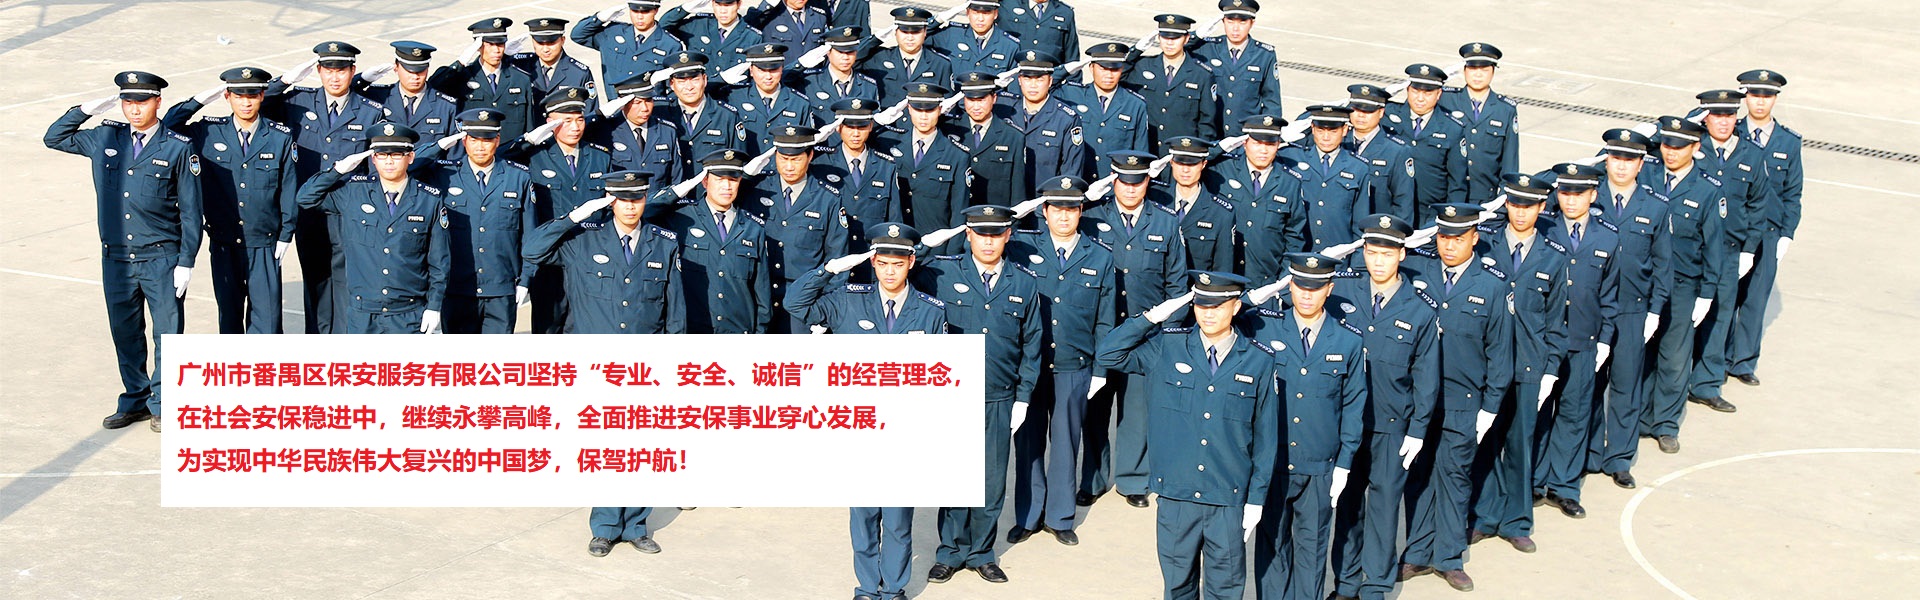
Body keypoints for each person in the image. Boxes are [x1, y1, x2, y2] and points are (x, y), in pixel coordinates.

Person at [1096, 271, 1278, 600]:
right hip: (1177, 495)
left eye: (1217, 306)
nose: (1208, 314)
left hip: (1227, 496)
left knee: (1226, 590)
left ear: (1236, 307)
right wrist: (1151, 317)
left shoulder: (1258, 360)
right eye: (1201, 305)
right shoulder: (1168, 346)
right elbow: (1108, 354)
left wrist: (1256, 498)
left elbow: (1266, 439)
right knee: (1178, 586)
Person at [790, 222, 945, 600]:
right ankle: (866, 587)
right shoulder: (848, 300)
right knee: (863, 517)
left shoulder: (930, 312)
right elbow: (796, 304)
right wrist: (828, 270)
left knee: (898, 520)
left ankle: (893, 589)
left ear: (911, 263)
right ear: (872, 262)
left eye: (898, 263)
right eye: (883, 263)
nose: (890, 271)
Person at [44, 70, 203, 433]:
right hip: (116, 257)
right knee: (125, 332)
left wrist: (186, 261)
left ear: (157, 102)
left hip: (161, 257)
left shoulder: (177, 146)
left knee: (167, 335)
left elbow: (192, 211)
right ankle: (135, 399)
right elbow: (54, 137)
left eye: (142, 102)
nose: (134, 109)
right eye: (127, 102)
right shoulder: (105, 138)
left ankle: (163, 403)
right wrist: (85, 109)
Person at [916, 204, 1044, 585]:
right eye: (980, 234)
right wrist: (929, 242)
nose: (988, 242)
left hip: (999, 396)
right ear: (968, 234)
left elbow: (1032, 344)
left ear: (1008, 236)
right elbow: (904, 264)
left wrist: (1023, 396)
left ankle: (982, 552)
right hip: (954, 393)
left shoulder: (1023, 283)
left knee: (991, 479)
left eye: (996, 234)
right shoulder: (942, 272)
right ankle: (950, 551)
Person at [1399, 203, 1513, 592]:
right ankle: (1417, 552)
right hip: (1419, 399)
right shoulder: (1418, 272)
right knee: (1418, 476)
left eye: (1458, 238)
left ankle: (1448, 557)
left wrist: (1490, 407)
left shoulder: (1492, 286)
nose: (1449, 245)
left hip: (1463, 401)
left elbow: (1500, 354)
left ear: (1474, 239)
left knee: (1455, 476)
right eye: (1444, 237)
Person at [1327, 214, 1439, 600]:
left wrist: (1418, 430)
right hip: (1347, 423)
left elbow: (1426, 376)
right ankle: (1346, 583)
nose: (1378, 261)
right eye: (1372, 253)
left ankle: (1375, 585)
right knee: (1348, 504)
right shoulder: (1342, 294)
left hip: (1392, 425)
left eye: (1387, 254)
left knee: (1385, 506)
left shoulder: (1420, 309)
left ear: (1402, 255)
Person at [1246, 253, 1365, 600]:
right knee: (1271, 545)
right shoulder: (1264, 326)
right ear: (1289, 286)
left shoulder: (1348, 341)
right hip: (1274, 460)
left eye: (1315, 288)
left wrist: (1345, 462)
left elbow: (1353, 405)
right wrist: (1266, 292)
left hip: (1319, 464)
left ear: (1329, 289)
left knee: (1312, 550)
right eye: (1299, 286)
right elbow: (1224, 309)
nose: (1306, 295)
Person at [1008, 176, 1117, 547]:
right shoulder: (1022, 248)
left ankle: (1060, 516)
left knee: (1067, 443)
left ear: (1081, 211)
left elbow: (1105, 319)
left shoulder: (1100, 256)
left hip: (1075, 363)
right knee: (1028, 443)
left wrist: (1100, 369)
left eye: (1071, 209)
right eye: (1057, 209)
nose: (1064, 216)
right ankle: (1028, 516)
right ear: (1045, 211)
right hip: (1031, 365)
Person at [1080, 151, 1190, 509]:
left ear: (1147, 182)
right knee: (1096, 409)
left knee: (1137, 411)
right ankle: (1093, 478)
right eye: (1124, 182)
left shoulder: (1166, 223)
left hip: (1146, 337)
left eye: (1137, 182)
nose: (1130, 189)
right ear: (1113, 182)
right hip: (1101, 332)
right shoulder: (1092, 219)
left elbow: (1177, 286)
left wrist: (1167, 336)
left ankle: (1133, 479)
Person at [1469, 172, 1568, 554]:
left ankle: (1516, 520)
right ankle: (1484, 515)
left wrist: (1550, 370)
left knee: (1520, 443)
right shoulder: (1486, 244)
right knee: (1485, 441)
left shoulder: (1553, 256)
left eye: (1529, 205)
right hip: (1487, 363)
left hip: (1528, 364)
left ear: (1542, 207)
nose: (1521, 212)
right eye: (1514, 203)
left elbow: (1556, 321)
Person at [261, 41, 388, 334]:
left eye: (341, 70)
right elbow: (260, 104)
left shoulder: (369, 112)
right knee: (315, 280)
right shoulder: (298, 102)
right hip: (309, 209)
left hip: (348, 212)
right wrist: (284, 81)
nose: (335, 77)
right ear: (318, 71)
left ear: (353, 71)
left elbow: (374, 170)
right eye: (328, 70)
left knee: (348, 283)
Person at [160, 66, 298, 335]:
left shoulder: (279, 136)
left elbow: (288, 187)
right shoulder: (208, 132)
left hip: (264, 242)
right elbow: (167, 127)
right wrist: (198, 101)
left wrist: (286, 232)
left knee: (268, 323)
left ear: (262, 96)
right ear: (227, 97)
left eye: (252, 96)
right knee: (229, 319)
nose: (245, 102)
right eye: (238, 96)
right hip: (224, 242)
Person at [293, 122, 450, 335]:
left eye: (396, 154)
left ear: (411, 157)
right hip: (362, 314)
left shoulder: (429, 200)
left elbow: (439, 261)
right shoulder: (354, 192)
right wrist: (338, 170)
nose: (389, 162)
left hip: (408, 314)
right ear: (373, 159)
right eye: (382, 155)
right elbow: (305, 198)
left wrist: (434, 306)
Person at [1642, 116, 1732, 455]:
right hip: (1646, 283)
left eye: (1679, 147)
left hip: (1682, 285)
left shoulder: (1707, 189)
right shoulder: (1647, 175)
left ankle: (1665, 424)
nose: (1671, 152)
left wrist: (1706, 294)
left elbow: (1714, 247)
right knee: (1642, 354)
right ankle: (1640, 419)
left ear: (1695, 148)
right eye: (1666, 145)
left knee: (1674, 357)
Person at [1588, 128, 1671, 489]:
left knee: (1625, 384)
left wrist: (1655, 310)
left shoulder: (1655, 205)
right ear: (1606, 160)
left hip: (1632, 309)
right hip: (1593, 309)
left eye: (1629, 159)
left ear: (1641, 164)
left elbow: (1663, 263)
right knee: (1590, 383)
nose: (1621, 166)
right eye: (1615, 158)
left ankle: (1619, 457)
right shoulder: (1589, 196)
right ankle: (1590, 453)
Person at [1534, 163, 1618, 519]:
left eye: (1578, 193)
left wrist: (1605, 340)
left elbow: (1610, 294)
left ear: (1593, 195)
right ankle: (1534, 480)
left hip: (1584, 339)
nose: (1570, 200)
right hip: (1545, 340)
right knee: (1539, 412)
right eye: (1565, 192)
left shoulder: (1608, 237)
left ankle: (1564, 486)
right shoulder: (1542, 228)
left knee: (1574, 412)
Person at [413, 109, 537, 334]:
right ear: (464, 141)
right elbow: (409, 167)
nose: (480, 147)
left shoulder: (518, 177)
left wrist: (526, 279)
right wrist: (440, 145)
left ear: (497, 140)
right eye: (473, 140)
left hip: (501, 287)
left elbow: (529, 235)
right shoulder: (444, 174)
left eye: (487, 140)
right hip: (456, 287)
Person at [505, 87, 619, 334]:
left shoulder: (599, 156)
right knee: (548, 328)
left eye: (579, 119)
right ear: (550, 123)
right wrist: (527, 141)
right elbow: (500, 159)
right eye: (566, 121)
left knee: (586, 329)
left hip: (589, 256)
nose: (575, 127)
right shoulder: (535, 156)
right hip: (550, 257)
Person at [1686, 89, 1766, 413]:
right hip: (1692, 251)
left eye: (1729, 115)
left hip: (1729, 252)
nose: (1723, 122)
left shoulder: (1751, 154)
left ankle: (1705, 385)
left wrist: (1749, 249)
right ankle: (1675, 383)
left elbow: (1758, 205)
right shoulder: (1691, 148)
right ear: (1705, 117)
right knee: (1682, 320)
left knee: (1719, 319)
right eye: (1716, 115)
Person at [1726, 69, 1800, 387]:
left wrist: (1787, 234)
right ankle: (1715, 359)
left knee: (1755, 300)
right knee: (1726, 298)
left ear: (1775, 99)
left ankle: (1742, 361)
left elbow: (1792, 193)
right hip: (1735, 230)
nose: (1760, 102)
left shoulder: (1788, 142)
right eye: (1755, 95)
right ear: (1745, 97)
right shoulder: (1731, 133)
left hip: (1769, 232)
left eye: (1767, 96)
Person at [655, 149, 774, 334]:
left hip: (738, 331)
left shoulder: (753, 229)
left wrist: (759, 333)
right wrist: (677, 191)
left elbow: (762, 292)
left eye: (733, 180)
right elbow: (643, 213)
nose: (727, 186)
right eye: (719, 179)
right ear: (705, 181)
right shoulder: (681, 219)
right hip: (694, 331)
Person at [749, 125, 851, 333]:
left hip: (803, 304)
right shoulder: (756, 189)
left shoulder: (828, 199)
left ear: (810, 156)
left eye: (795, 159)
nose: (789, 166)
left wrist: (826, 311)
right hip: (759, 298)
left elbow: (837, 259)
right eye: (783, 158)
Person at [1218, 115, 1306, 281]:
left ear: (1278, 145)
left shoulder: (1289, 182)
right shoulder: (1223, 170)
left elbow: (1294, 236)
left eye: (1270, 144)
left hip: (1266, 279)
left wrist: (1283, 280)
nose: (1263, 150)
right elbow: (1191, 162)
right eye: (1257, 143)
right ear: (1244, 143)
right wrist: (1219, 147)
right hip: (1225, 276)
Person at [876, 84, 968, 241]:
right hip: (896, 242)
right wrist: (877, 121)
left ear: (940, 109)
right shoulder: (889, 144)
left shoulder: (956, 155)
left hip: (936, 246)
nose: (923, 117)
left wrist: (953, 252)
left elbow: (959, 212)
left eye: (930, 110)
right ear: (909, 109)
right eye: (918, 110)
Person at [1381, 63, 1467, 226]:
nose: (1420, 98)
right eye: (1415, 91)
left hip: (1429, 214)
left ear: (1439, 94)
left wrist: (1451, 219)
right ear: (1407, 90)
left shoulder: (1452, 128)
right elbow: (1357, 110)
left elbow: (1457, 182)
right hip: (1390, 210)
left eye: (1428, 93)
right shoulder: (1388, 115)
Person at [1052, 42, 1150, 179]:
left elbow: (1140, 151)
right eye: (1103, 68)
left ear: (1122, 69)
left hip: (1113, 183)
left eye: (1115, 69)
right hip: (1078, 181)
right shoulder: (1072, 94)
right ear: (1091, 68)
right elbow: (1042, 88)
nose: (1109, 75)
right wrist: (1065, 70)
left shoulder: (1135, 104)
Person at [431, 19, 537, 141]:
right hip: (476, 149)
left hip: (512, 150)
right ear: (478, 47)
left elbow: (529, 126)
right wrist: (459, 63)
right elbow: (433, 87)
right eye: (490, 45)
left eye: (500, 44)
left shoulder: (520, 79)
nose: (496, 50)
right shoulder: (462, 77)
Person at [1440, 43, 1519, 204]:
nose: (1478, 75)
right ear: (1464, 70)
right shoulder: (1446, 100)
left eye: (1484, 70)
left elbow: (1510, 160)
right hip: (1446, 194)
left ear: (1493, 72)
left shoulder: (1505, 109)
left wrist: (1502, 200)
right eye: (1473, 69)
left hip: (1484, 197)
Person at [1123, 14, 1218, 146]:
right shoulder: (1143, 66)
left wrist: (1198, 153)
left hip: (1181, 151)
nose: (1169, 43)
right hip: (1147, 149)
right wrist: (1135, 51)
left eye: (1176, 38)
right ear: (1158, 37)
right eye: (1165, 37)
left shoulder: (1201, 75)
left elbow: (1207, 123)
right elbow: (1115, 76)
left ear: (1187, 39)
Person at [1000, 51, 1089, 190]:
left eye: (1039, 79)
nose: (1033, 85)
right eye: (1027, 79)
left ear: (1050, 81)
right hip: (1006, 198)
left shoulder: (1066, 119)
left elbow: (1071, 171)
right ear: (1019, 80)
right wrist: (994, 84)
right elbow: (970, 105)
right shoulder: (1005, 108)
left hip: (1044, 199)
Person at [1189, 0, 1282, 125]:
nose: (1235, 28)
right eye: (1230, 21)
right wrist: (1196, 36)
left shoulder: (1264, 55)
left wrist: (1268, 130)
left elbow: (1271, 100)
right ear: (1223, 21)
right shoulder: (1207, 47)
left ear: (1252, 23)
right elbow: (1175, 49)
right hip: (1210, 130)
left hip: (1245, 132)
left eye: (1242, 22)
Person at [1151, 136, 1235, 273]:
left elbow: (1223, 268)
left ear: (1203, 164)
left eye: (1192, 164)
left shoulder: (1220, 213)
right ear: (1171, 163)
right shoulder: (1155, 200)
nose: (1185, 170)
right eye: (1180, 163)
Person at [572, 1, 686, 99]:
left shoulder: (670, 44)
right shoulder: (612, 33)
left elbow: (675, 88)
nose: (639, 17)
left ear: (656, 10)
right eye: (635, 11)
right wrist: (598, 18)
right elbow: (578, 35)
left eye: (645, 12)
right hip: (617, 110)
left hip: (650, 110)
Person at [953, 71, 1029, 211]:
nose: (976, 107)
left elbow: (1018, 190)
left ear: (994, 98)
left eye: (981, 100)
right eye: (971, 100)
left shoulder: (1013, 136)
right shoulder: (950, 130)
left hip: (994, 218)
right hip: (959, 217)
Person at [361, 41, 460, 143]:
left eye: (420, 71)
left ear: (427, 69)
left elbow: (455, 149)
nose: (415, 77)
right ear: (396, 68)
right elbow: (350, 98)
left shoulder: (446, 106)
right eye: (409, 71)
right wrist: (362, 79)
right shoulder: (377, 97)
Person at [1344, 84, 1416, 225]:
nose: (1361, 115)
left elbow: (1403, 202)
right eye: (1356, 109)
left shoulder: (1396, 151)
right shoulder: (1339, 142)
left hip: (1376, 228)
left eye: (1368, 111)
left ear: (1381, 112)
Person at [857, 7, 952, 106]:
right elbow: (851, 58)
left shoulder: (940, 64)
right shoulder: (878, 58)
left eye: (916, 32)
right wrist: (875, 39)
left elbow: (948, 104)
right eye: (904, 32)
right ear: (895, 32)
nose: (910, 38)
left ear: (925, 32)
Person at [927, 0, 1019, 74]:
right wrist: (939, 18)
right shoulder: (952, 34)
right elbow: (920, 37)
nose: (980, 19)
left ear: (995, 14)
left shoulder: (1009, 45)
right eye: (975, 12)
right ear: (968, 13)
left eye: (986, 13)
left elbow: (1013, 88)